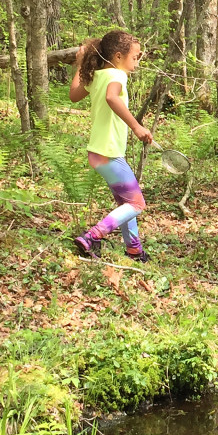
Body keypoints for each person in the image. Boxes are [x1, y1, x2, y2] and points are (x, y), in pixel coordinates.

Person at [68, 31, 153, 263]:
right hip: (109, 152)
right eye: (135, 57)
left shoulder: (98, 75)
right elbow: (111, 98)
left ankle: (134, 250)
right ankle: (93, 236)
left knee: (127, 203)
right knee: (137, 203)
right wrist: (137, 127)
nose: (137, 62)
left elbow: (74, 95)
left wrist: (79, 65)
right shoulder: (117, 75)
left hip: (97, 152)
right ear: (118, 56)